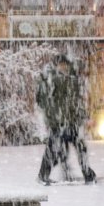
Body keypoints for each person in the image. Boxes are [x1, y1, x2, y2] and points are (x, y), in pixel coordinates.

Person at [36, 53, 96, 185]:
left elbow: (75, 102)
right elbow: (42, 100)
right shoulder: (54, 79)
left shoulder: (67, 79)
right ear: (57, 65)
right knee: (54, 150)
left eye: (65, 65)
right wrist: (53, 114)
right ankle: (43, 175)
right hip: (59, 122)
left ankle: (87, 174)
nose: (64, 68)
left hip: (70, 121)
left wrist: (80, 115)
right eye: (62, 65)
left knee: (78, 149)